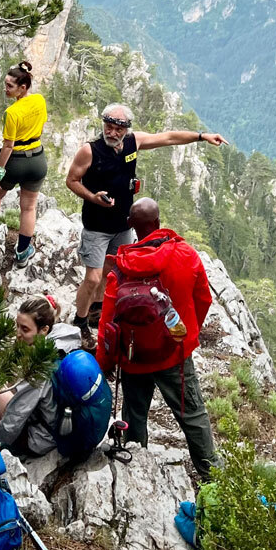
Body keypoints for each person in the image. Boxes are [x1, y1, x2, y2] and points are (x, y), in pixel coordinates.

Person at [65, 103, 227, 341]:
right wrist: (93, 197)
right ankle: (79, 321)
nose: (111, 133)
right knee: (92, 276)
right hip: (97, 225)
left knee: (109, 272)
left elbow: (169, 138)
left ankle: (96, 310)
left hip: (123, 225)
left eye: (117, 129)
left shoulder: (134, 142)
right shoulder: (90, 151)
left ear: (126, 129)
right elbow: (71, 180)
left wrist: (202, 137)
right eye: (108, 127)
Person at [95, 198, 218, 479]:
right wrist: (186, 338)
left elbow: (108, 324)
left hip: (133, 357)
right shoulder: (186, 255)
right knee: (192, 416)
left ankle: (138, 473)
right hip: (174, 355)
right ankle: (212, 477)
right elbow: (203, 299)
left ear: (131, 225)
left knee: (135, 416)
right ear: (158, 224)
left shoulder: (122, 268)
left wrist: (105, 364)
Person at [0, 296, 112, 460]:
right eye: (17, 326)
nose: (18, 334)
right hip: (66, 428)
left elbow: (15, 417)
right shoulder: (66, 341)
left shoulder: (41, 367)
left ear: (44, 330)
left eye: (25, 329)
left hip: (42, 440)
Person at [0, 61, 47, 267]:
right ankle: (23, 252)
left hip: (15, 160)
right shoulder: (40, 101)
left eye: (10, 86)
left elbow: (8, 146)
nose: (5, 89)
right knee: (28, 208)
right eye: (5, 84)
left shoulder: (12, 113)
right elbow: (41, 126)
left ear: (22, 87)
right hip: (37, 159)